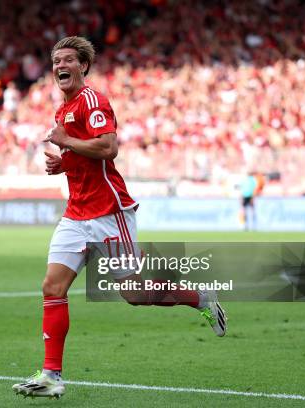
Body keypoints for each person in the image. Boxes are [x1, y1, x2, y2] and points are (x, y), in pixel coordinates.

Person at [12, 37, 227, 399]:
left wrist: (66, 142)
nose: (59, 66)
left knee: (136, 294)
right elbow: (85, 156)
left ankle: (201, 298)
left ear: (83, 66)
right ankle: (51, 375)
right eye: (55, 61)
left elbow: (109, 147)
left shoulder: (93, 101)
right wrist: (62, 162)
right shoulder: (61, 110)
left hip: (110, 214)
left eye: (67, 60)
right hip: (76, 213)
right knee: (52, 287)